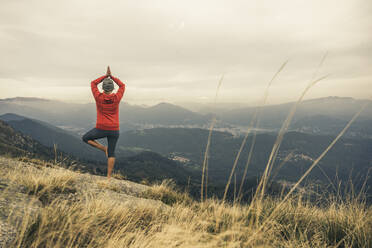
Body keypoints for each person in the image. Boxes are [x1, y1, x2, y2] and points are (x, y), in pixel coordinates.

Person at [82, 66, 125, 180]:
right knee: (111, 153)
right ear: (112, 88)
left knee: (85, 138)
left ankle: (102, 148)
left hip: (100, 128)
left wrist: (105, 76)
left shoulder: (98, 97)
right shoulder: (116, 98)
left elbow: (93, 83)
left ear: (103, 88)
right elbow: (122, 85)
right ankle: (109, 177)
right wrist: (112, 77)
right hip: (114, 129)